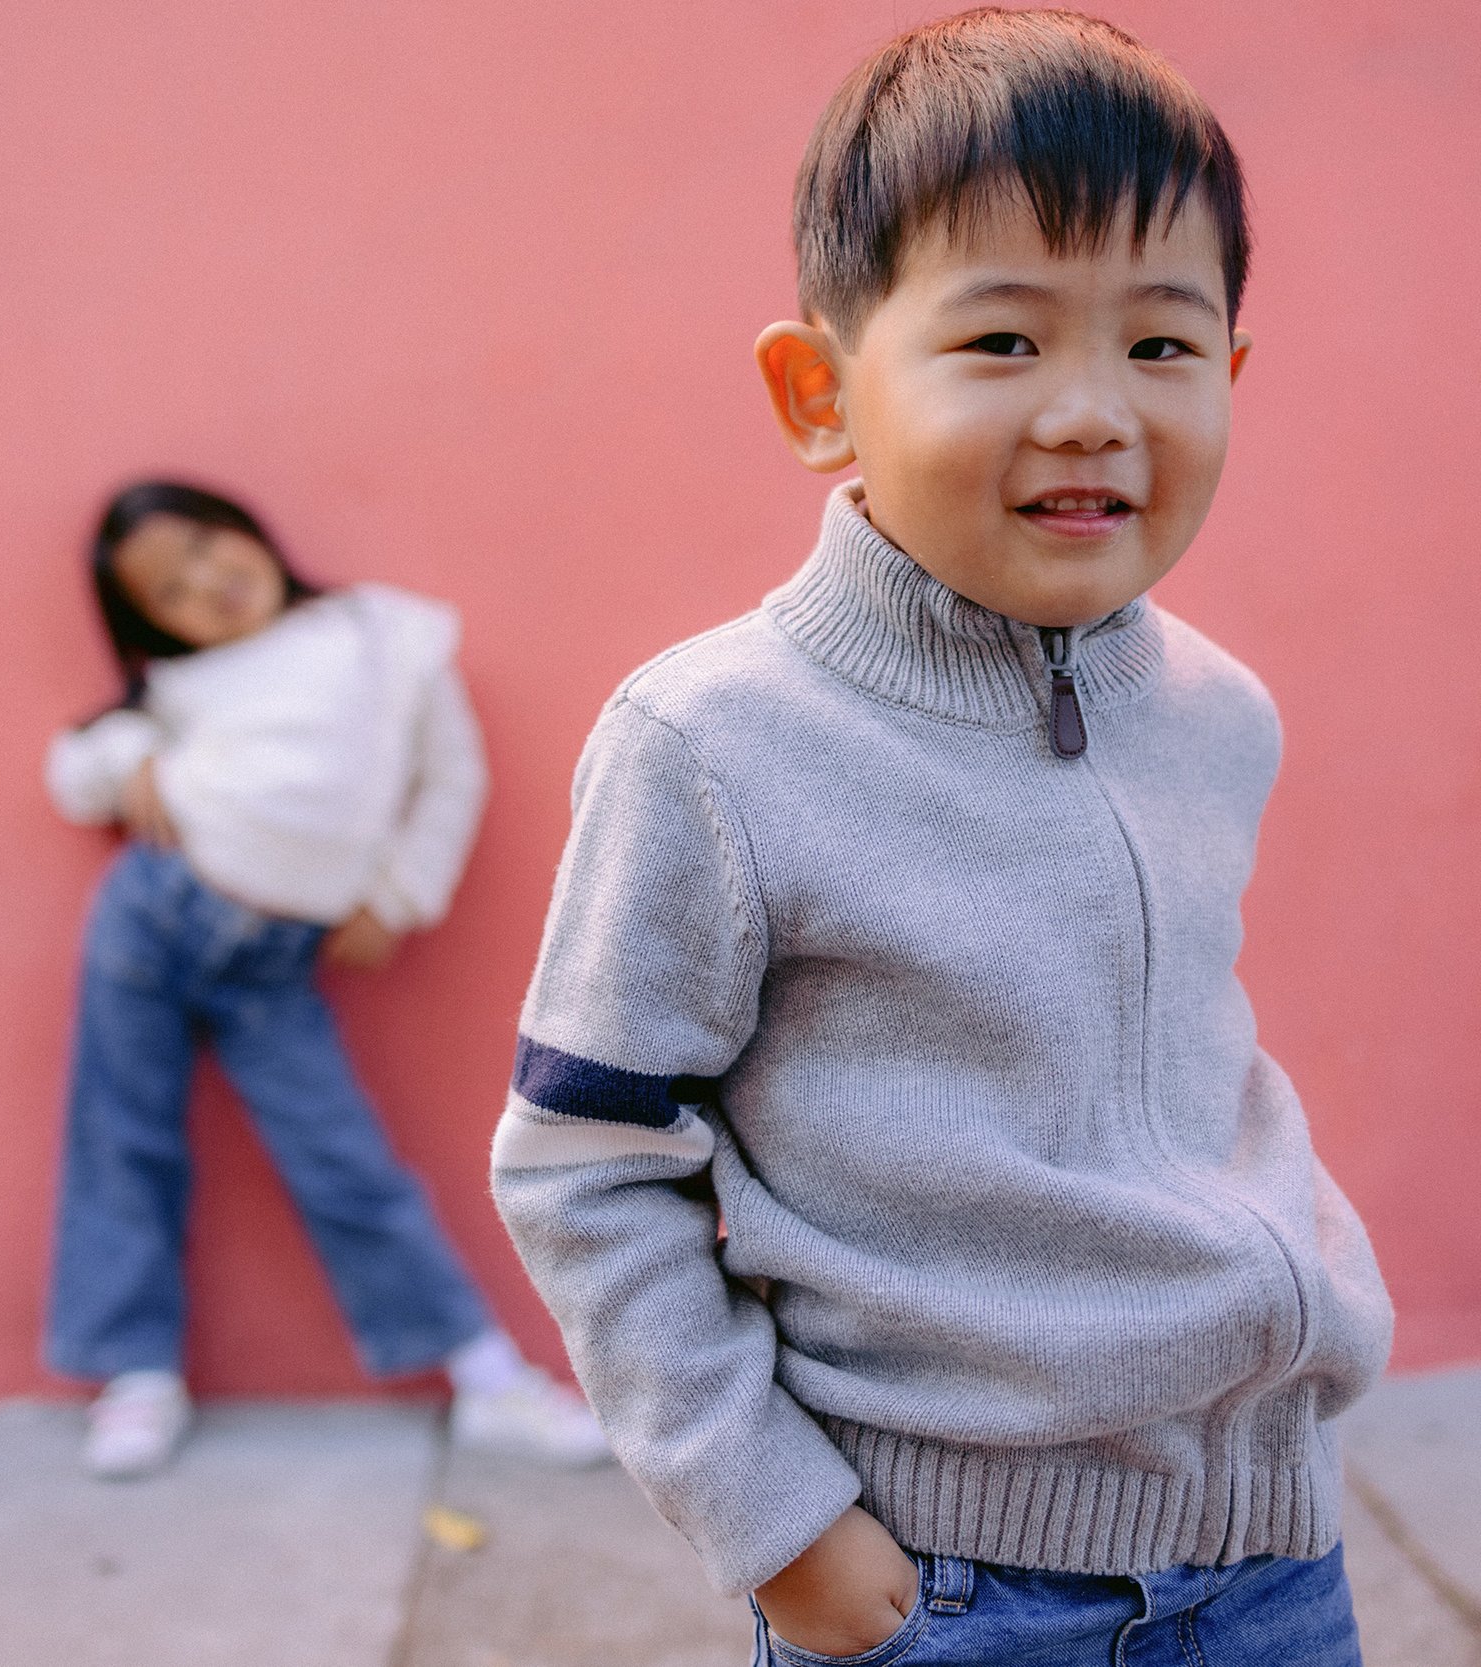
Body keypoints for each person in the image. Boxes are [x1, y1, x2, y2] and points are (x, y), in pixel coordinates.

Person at [491, 10, 1394, 1664]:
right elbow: (586, 1163)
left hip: (1266, 1555)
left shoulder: (1217, 713)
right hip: (947, 1589)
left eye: (1163, 347)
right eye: (1002, 343)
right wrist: (774, 1525)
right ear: (819, 391)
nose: (1091, 412)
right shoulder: (713, 743)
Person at [44, 479, 605, 1479]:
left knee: (343, 1161)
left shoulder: (381, 634)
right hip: (150, 916)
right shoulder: (182, 683)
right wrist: (128, 757)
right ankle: (137, 1371)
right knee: (122, 1135)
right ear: (151, 623)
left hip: (272, 960)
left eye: (209, 549)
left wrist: (396, 896)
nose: (206, 588)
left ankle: (485, 1377)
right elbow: (75, 761)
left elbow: (452, 776)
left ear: (247, 529)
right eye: (170, 591)